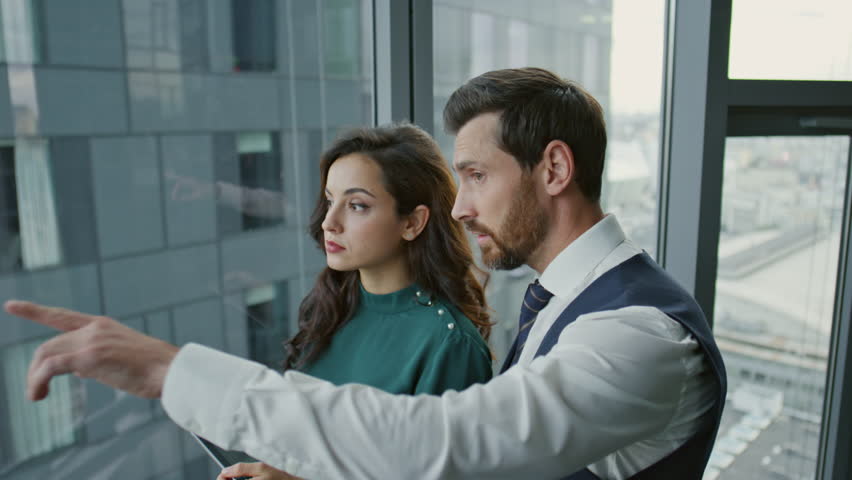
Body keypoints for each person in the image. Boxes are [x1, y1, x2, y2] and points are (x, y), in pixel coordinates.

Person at [5, 67, 727, 480]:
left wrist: (171, 371)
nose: (461, 206)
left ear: (555, 169)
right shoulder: (571, 303)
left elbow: (441, 442)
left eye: (476, 175)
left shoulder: (639, 336)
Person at [218, 124, 493, 479]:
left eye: (357, 205)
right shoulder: (332, 305)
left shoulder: (449, 345)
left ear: (412, 222)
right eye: (330, 200)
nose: (329, 222)